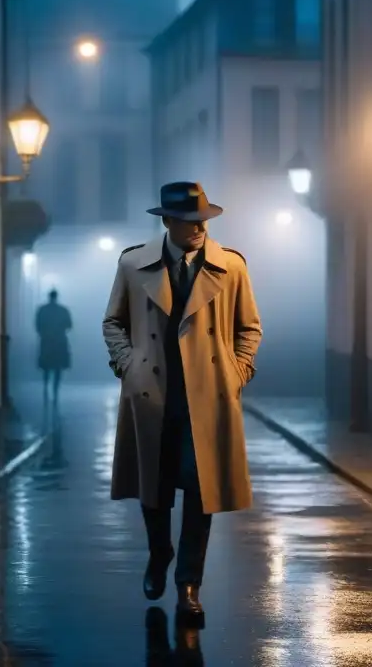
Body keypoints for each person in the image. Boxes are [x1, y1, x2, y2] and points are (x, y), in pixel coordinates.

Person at [102, 181, 262, 623]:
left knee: (199, 491)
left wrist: (236, 372)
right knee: (153, 487)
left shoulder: (230, 267)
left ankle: (189, 584)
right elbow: (113, 322)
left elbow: (249, 328)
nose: (196, 228)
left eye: (202, 221)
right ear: (167, 221)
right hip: (154, 394)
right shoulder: (134, 264)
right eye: (188, 221)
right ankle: (160, 552)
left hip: (206, 399)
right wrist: (128, 366)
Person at [35, 289, 72, 405]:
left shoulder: (42, 310)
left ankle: (46, 388)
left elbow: (37, 325)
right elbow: (69, 325)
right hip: (59, 341)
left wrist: (45, 333)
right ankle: (55, 392)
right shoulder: (63, 310)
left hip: (46, 341)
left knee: (46, 367)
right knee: (58, 368)